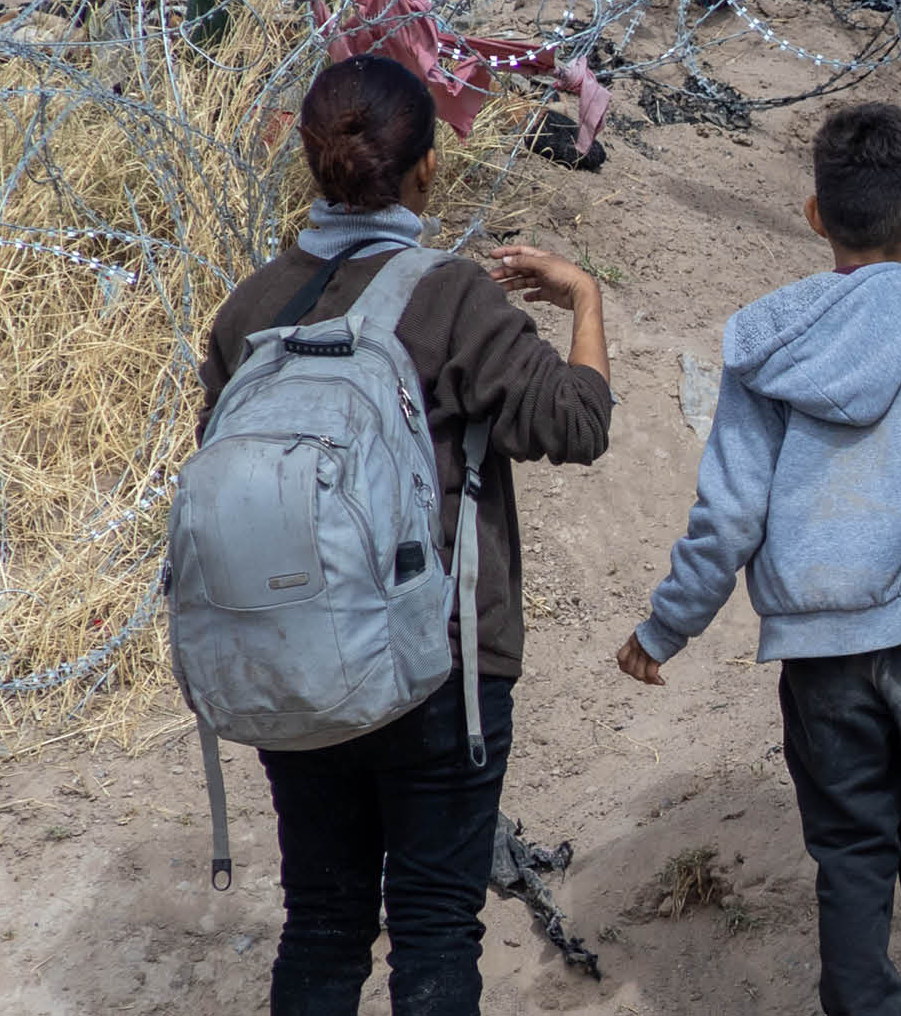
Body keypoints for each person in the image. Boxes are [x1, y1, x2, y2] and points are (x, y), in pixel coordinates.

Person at [616, 102, 901, 1016]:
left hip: (820, 656)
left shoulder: (767, 341)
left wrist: (664, 630)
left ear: (815, 216)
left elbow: (730, 512)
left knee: (852, 853)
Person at [195, 54, 613, 1015]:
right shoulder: (453, 296)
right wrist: (585, 299)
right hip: (443, 672)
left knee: (322, 922)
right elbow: (576, 425)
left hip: (290, 663)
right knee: (433, 928)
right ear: (427, 169)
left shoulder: (248, 312)